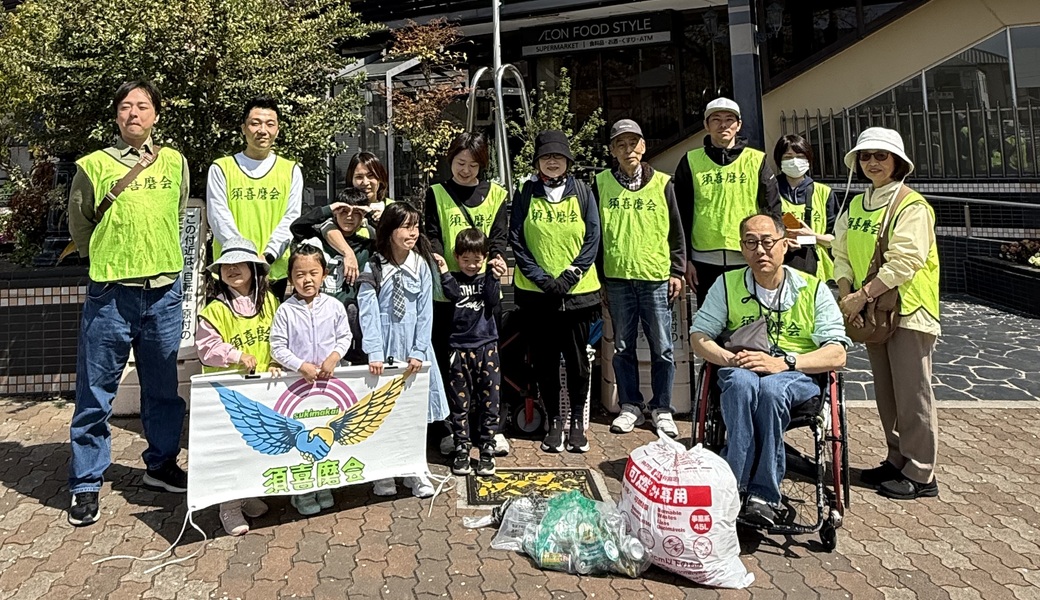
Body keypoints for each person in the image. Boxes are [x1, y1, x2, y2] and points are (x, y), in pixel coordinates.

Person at [66, 80, 189, 527]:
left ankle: (161, 464)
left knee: (163, 389)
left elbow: (175, 213)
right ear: (116, 115)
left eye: (142, 105)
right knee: (96, 392)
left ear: (156, 114)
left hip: (164, 292)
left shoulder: (175, 161)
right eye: (125, 106)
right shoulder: (94, 165)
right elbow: (79, 223)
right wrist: (106, 255)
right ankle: (86, 481)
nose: (133, 113)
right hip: (111, 294)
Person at [689, 214, 849, 526]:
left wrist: (785, 363)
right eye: (751, 242)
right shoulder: (727, 284)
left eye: (767, 241)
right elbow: (699, 336)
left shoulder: (813, 289)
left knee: (772, 390)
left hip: (795, 372)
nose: (760, 250)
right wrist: (728, 358)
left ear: (785, 245)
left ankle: (762, 493)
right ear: (741, 248)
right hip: (742, 366)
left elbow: (837, 353)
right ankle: (736, 487)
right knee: (742, 384)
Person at [832, 127, 941, 500]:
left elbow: (905, 261)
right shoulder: (856, 205)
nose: (872, 162)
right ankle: (897, 461)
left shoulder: (912, 205)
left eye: (881, 155)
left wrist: (860, 296)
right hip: (874, 313)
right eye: (865, 156)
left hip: (910, 311)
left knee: (913, 393)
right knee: (887, 393)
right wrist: (848, 297)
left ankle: (921, 472)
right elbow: (841, 254)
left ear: (898, 162)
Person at [510, 130, 601, 453]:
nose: (552, 162)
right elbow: (517, 239)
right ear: (537, 162)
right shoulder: (525, 192)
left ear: (568, 161)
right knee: (544, 362)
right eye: (546, 156)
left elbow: (593, 237)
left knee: (577, 362)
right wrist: (542, 279)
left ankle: (576, 421)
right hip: (537, 296)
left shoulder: (583, 191)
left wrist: (570, 275)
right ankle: (554, 421)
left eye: (558, 156)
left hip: (577, 295)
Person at [594, 119, 685, 438]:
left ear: (643, 146)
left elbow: (676, 231)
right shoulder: (601, 183)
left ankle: (662, 408)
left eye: (633, 143)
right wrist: (600, 277)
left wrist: (677, 270)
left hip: (655, 277)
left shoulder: (663, 183)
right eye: (620, 144)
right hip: (617, 278)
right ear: (612, 150)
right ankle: (630, 405)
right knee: (622, 346)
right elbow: (596, 234)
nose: (628, 149)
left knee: (663, 348)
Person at [424, 132, 509, 455]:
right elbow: (432, 233)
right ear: (451, 161)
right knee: (450, 365)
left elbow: (499, 237)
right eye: (460, 163)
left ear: (482, 165)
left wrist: (497, 259)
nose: (465, 170)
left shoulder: (497, 194)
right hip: (448, 294)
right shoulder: (437, 193)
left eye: (473, 165)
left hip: (485, 294)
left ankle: (492, 430)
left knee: (490, 368)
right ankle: (450, 430)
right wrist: (439, 261)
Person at [358, 202, 450, 498]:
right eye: (406, 227)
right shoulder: (373, 266)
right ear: (389, 230)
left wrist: (420, 350)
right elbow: (368, 312)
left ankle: (415, 469)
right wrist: (374, 351)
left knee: (413, 413)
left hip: (414, 350)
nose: (413, 233)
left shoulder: (421, 265)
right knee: (383, 413)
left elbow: (425, 313)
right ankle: (384, 471)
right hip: (385, 350)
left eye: (416, 227)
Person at [195, 237, 280, 535]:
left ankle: (246, 494)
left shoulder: (269, 301)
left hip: (263, 389)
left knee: (255, 447)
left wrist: (277, 361)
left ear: (253, 268)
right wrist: (236, 355)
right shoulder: (214, 310)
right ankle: (228, 507)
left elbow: (280, 336)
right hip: (228, 393)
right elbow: (206, 349)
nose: (232, 270)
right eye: (226, 266)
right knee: (231, 449)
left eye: (239, 264)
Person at [674, 97, 780, 307]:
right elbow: (680, 214)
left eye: (729, 119)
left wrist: (771, 251)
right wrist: (685, 260)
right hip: (703, 260)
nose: (723, 125)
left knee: (750, 317)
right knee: (710, 318)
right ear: (706, 125)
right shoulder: (690, 161)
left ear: (738, 125)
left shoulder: (756, 160)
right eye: (716, 119)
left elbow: (772, 209)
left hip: (748, 254)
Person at [270, 244, 352, 515]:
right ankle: (302, 489)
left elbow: (345, 336)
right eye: (300, 274)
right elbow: (277, 347)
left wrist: (334, 357)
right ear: (291, 278)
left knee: (325, 433)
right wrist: (300, 366)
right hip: (298, 387)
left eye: (313, 273)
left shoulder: (334, 306)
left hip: (328, 387)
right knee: (301, 436)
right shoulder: (285, 311)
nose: (307, 280)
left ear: (324, 275)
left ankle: (323, 482)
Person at [207, 96, 303, 299]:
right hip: (231, 268)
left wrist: (267, 256)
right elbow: (218, 217)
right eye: (255, 123)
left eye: (270, 124)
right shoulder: (221, 168)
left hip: (273, 270)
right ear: (243, 128)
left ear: (278, 130)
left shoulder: (290, 170)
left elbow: (291, 218)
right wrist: (243, 256)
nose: (263, 130)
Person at [434, 229, 502, 476]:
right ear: (456, 257)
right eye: (466, 260)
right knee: (459, 402)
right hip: (458, 348)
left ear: (485, 257)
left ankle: (487, 449)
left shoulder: (487, 278)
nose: (472, 265)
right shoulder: (453, 279)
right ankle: (462, 447)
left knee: (490, 401)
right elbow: (452, 293)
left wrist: (494, 276)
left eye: (477, 260)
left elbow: (492, 301)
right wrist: (444, 270)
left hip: (486, 347)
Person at [290, 187, 374, 363]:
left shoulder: (366, 246)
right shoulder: (318, 239)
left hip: (349, 320)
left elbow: (390, 237)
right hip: (316, 318)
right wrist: (329, 208)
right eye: (343, 211)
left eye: (356, 213)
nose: (349, 216)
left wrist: (370, 213)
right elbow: (297, 226)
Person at [772, 134, 838, 282]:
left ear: (809, 159)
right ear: (779, 160)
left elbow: (835, 240)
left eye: (800, 156)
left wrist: (812, 236)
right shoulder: (770, 191)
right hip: (778, 268)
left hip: (817, 271)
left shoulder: (824, 192)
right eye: (788, 157)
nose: (795, 161)